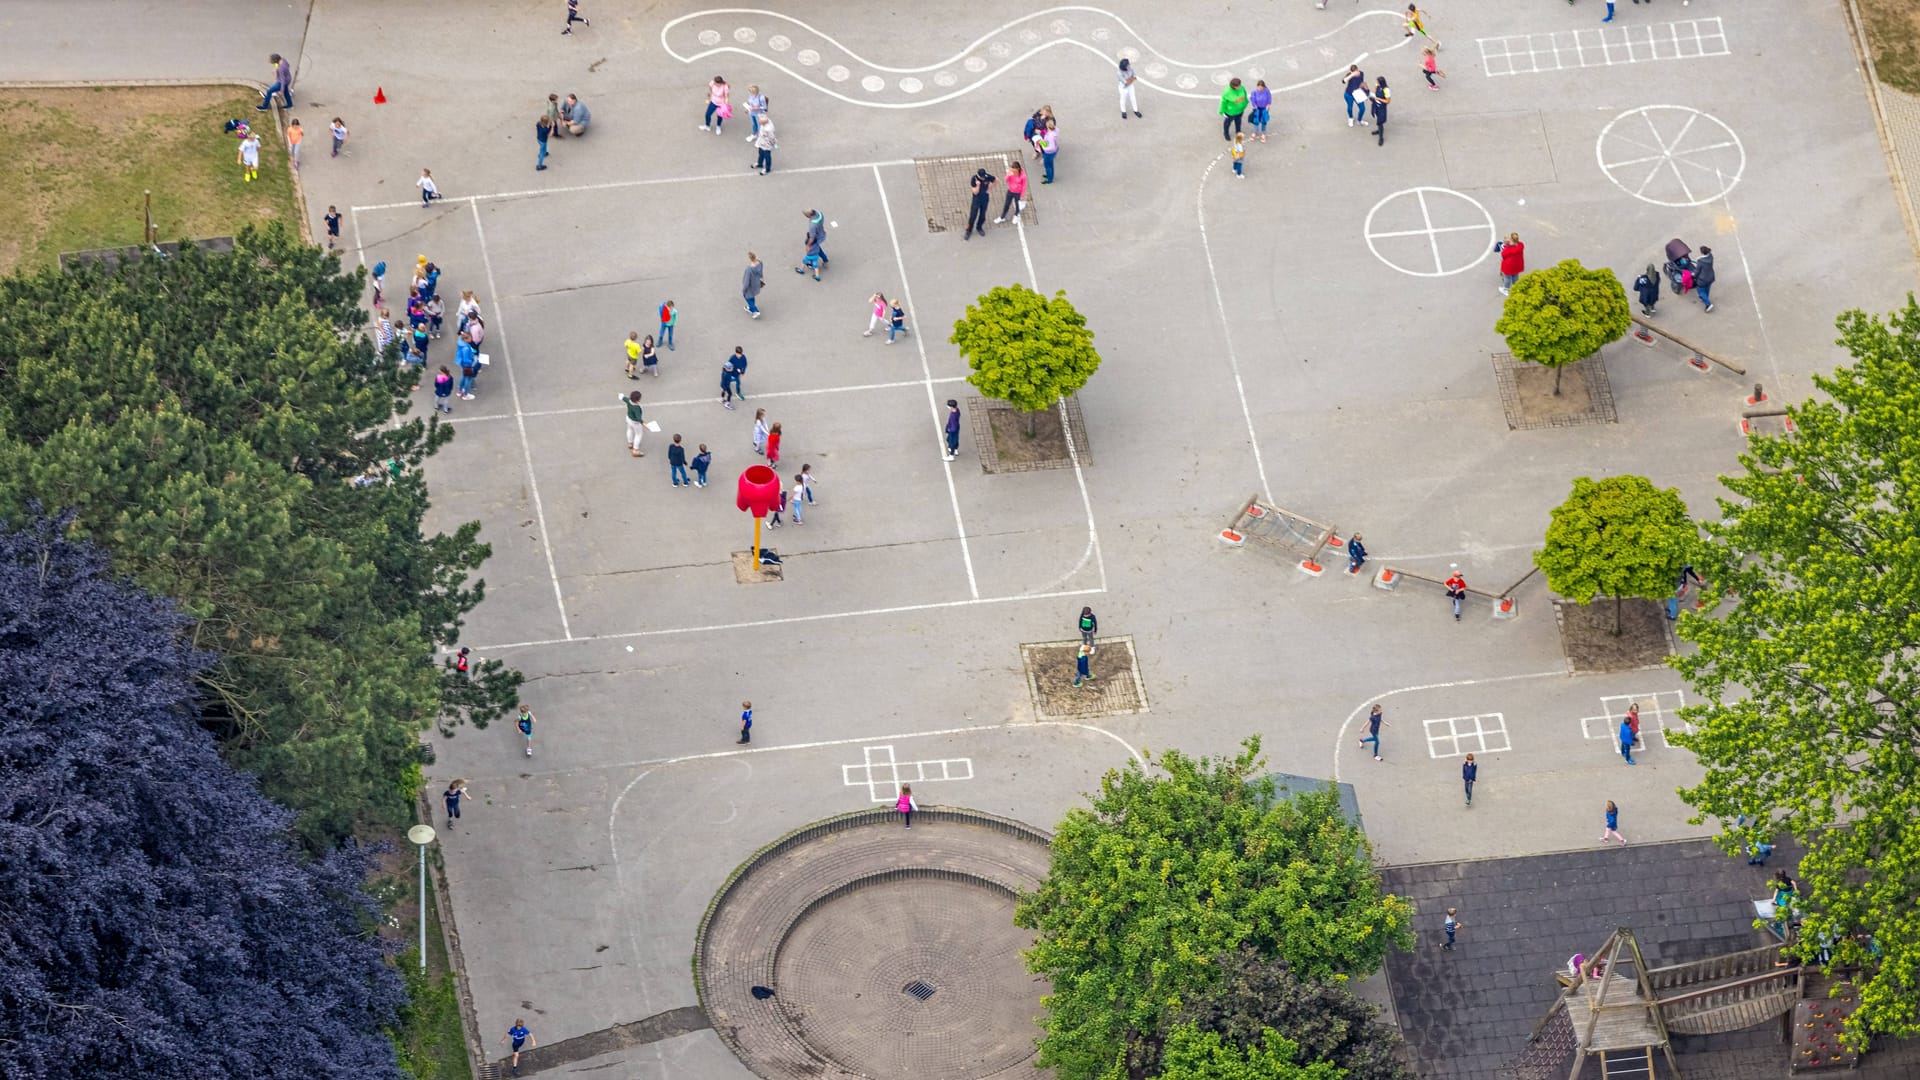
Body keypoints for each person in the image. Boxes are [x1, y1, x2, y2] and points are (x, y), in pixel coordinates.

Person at [964, 168, 995, 240]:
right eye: (981, 176)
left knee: (982, 215)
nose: (983, 178)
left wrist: (989, 189)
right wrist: (978, 185)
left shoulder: (987, 176)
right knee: (972, 216)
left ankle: (979, 227)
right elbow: (975, 192)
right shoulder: (974, 179)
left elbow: (995, 180)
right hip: (976, 199)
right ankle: (968, 230)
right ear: (978, 175)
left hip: (985, 199)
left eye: (983, 176)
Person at [1219, 77, 1249, 141]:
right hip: (1231, 112)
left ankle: (1238, 131)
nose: (1240, 87)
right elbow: (1223, 102)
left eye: (1240, 85)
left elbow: (1245, 95)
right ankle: (1226, 133)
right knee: (1227, 123)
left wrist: (1246, 102)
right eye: (1238, 86)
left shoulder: (1241, 88)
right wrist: (1222, 111)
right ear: (1233, 86)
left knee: (1238, 121)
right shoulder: (1227, 92)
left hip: (1240, 110)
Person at [621, 391, 646, 456]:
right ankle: (635, 450)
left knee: (629, 430)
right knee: (638, 434)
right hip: (635, 423)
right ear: (637, 399)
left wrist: (621, 395)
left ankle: (630, 443)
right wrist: (643, 423)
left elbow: (622, 397)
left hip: (628, 418)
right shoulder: (636, 407)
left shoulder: (628, 401)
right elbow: (638, 418)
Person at [742, 251, 765, 317]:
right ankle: (750, 308)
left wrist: (744, 290)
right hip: (756, 283)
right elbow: (761, 273)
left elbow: (746, 282)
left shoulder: (749, 270)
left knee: (747, 297)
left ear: (749, 259)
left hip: (750, 286)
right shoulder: (760, 262)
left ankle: (755, 311)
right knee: (752, 296)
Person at [1370, 77, 1391, 147]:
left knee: (1380, 122)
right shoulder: (1378, 86)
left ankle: (1381, 137)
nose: (1376, 83)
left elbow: (1387, 101)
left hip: (1382, 107)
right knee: (1377, 118)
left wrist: (1378, 98)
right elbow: (1374, 93)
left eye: (1377, 82)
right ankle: (1379, 130)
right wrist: (1375, 87)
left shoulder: (1386, 90)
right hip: (1376, 105)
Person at [1037, 118, 1059, 184]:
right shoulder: (1056, 131)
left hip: (1048, 153)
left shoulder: (1049, 136)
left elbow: (1048, 146)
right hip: (1054, 151)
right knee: (1051, 165)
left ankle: (1049, 179)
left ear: (1047, 126)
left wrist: (1041, 142)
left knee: (1047, 166)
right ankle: (1051, 176)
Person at [1694, 246, 1716, 312]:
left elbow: (1697, 271)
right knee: (1707, 288)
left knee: (1700, 291)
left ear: (1702, 252)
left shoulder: (1700, 261)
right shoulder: (1711, 256)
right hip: (1711, 277)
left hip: (1702, 279)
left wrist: (1693, 275)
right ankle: (1706, 298)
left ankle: (1708, 304)